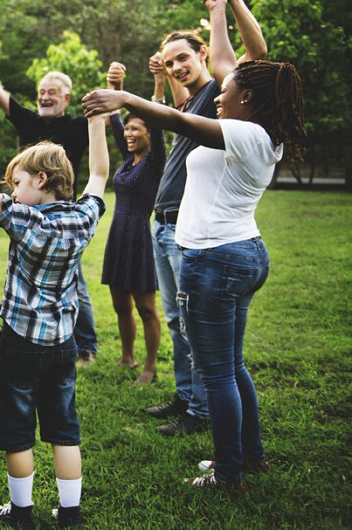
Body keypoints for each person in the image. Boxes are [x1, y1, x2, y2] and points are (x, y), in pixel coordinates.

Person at [83, 9, 303, 491]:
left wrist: (125, 95)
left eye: (225, 92)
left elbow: (178, 119)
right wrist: (219, 10)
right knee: (232, 365)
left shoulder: (245, 132)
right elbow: (213, 77)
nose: (217, 97)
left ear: (246, 97)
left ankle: (228, 474)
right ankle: (250, 456)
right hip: (238, 253)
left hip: (215, 259)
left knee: (218, 371)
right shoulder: (259, 133)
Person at [0, 115, 110, 529]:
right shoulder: (84, 218)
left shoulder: (24, 219)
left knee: (18, 429)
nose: (12, 191)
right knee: (64, 427)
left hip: (20, 342)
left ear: (40, 178)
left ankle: (21, 515)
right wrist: (97, 122)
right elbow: (101, 172)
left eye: (16, 183)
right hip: (63, 344)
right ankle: (70, 514)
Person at [142, 0, 268, 436]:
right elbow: (174, 105)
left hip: (191, 230)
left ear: (204, 56)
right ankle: (187, 395)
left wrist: (221, 8)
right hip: (165, 221)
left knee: (196, 327)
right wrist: (162, 77)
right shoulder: (198, 100)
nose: (178, 65)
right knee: (179, 321)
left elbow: (252, 53)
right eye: (170, 59)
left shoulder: (221, 94)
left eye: (184, 58)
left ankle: (200, 412)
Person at [0, 58, 98, 366]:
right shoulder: (29, 121)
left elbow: (101, 149)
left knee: (74, 282)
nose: (44, 97)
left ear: (66, 98)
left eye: (52, 92)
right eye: (41, 92)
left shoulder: (76, 127)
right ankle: (31, 331)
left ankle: (85, 345)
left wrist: (112, 93)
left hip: (63, 217)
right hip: (27, 215)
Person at [99, 62, 165, 385]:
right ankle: (127, 356)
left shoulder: (155, 162)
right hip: (117, 234)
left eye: (136, 129)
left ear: (150, 134)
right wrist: (115, 83)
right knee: (119, 303)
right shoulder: (128, 161)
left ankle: (150, 367)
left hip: (139, 235)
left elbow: (158, 117)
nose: (128, 133)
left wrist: (159, 83)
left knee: (146, 307)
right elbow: (113, 119)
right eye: (127, 130)